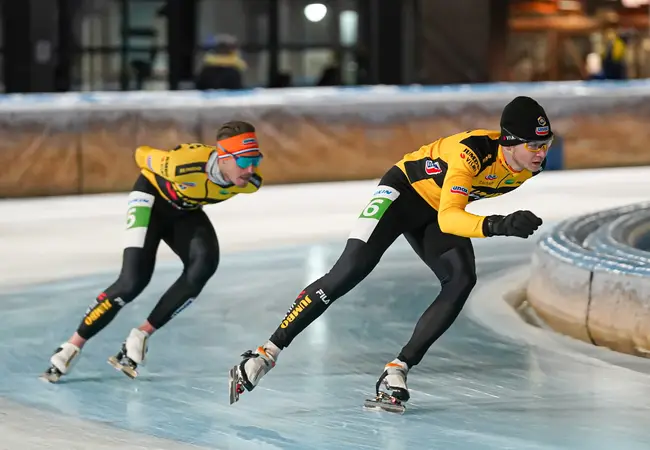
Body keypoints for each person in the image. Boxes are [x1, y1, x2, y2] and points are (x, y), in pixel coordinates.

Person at [228, 96, 550, 411]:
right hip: (402, 193)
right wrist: (499, 224)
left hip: (436, 209)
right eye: (534, 145)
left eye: (546, 144)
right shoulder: (472, 153)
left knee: (461, 279)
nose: (541, 153)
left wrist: (499, 223)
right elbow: (451, 218)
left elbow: (446, 214)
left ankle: (398, 369)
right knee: (349, 271)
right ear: (509, 143)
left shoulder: (530, 166)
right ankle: (265, 353)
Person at [42, 121, 264, 383]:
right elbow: (141, 155)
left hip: (185, 210)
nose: (251, 169)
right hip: (150, 198)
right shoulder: (183, 165)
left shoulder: (250, 183)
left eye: (255, 160)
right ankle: (71, 345)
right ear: (224, 157)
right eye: (244, 161)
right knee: (132, 282)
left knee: (204, 264)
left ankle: (141, 334)